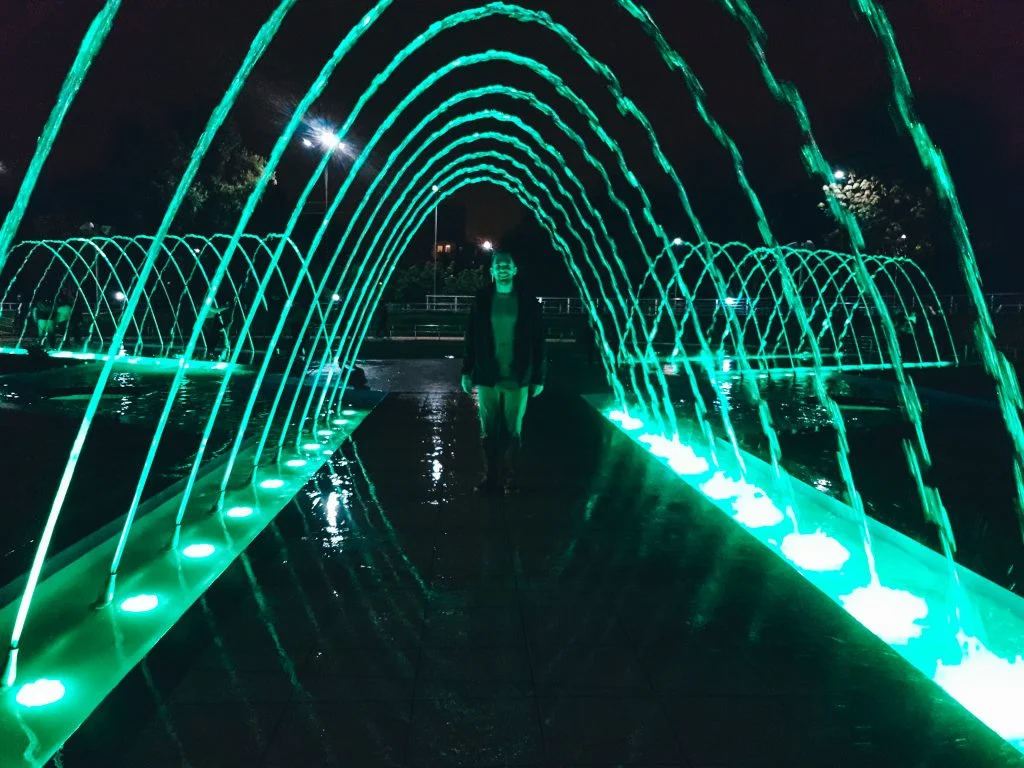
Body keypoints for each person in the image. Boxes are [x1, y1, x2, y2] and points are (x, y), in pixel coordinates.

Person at [461, 251, 546, 494]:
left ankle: (510, 478)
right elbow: (471, 336)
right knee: (488, 428)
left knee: (513, 429)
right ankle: (491, 477)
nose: (503, 269)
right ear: (492, 271)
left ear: (515, 270)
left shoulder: (527, 300)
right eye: (498, 265)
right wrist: (467, 371)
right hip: (488, 373)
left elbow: (539, 340)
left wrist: (539, 376)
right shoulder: (483, 298)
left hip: (517, 375)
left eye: (507, 265)